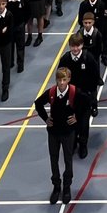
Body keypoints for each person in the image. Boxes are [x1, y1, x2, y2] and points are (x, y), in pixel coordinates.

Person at [35, 68, 85, 205]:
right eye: (59, 80)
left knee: (68, 159)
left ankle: (67, 187)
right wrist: (45, 118)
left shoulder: (75, 92)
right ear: (56, 80)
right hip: (53, 132)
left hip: (68, 133)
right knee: (54, 159)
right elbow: (38, 104)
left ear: (69, 79)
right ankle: (56, 186)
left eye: (64, 80)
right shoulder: (51, 92)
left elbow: (86, 104)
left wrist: (77, 117)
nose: (61, 83)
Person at [58, 34, 102, 159]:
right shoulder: (65, 59)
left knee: (83, 124)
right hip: (70, 98)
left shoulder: (88, 58)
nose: (75, 49)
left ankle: (83, 144)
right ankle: (73, 143)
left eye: (77, 46)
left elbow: (95, 78)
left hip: (85, 98)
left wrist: (93, 101)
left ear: (82, 45)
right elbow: (60, 78)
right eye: (73, 46)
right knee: (71, 122)